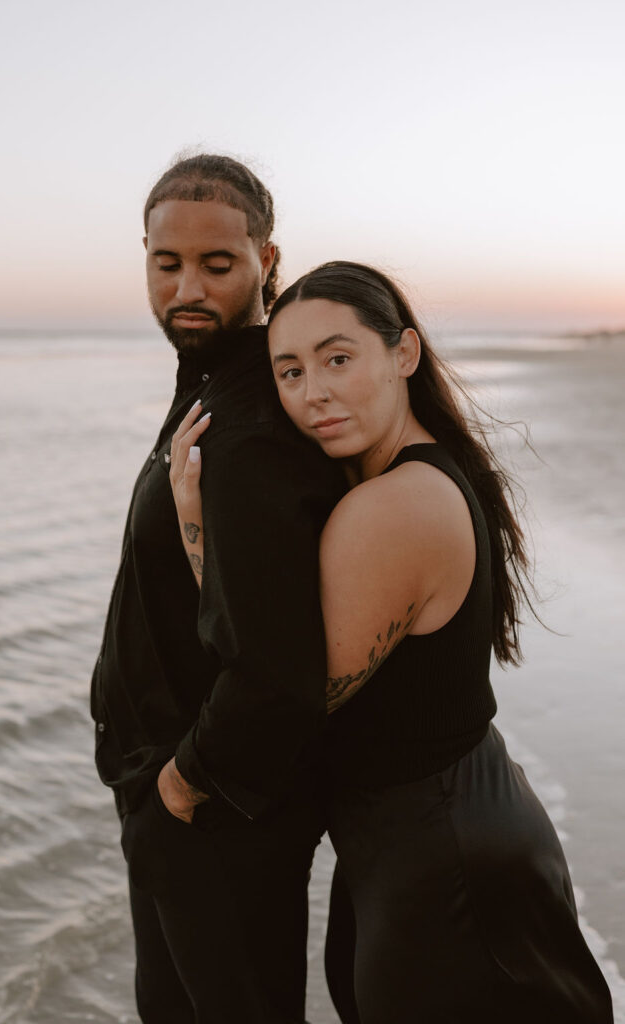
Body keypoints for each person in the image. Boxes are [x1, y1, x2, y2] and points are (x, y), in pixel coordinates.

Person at [170, 261, 614, 1023]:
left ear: (402, 354)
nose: (313, 392)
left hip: (444, 861)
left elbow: (290, 697)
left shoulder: (394, 507)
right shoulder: (409, 478)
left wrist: (181, 780)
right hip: (434, 832)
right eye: (289, 371)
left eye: (337, 359)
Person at [91, 155, 345, 1023]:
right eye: (167, 265)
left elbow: (278, 665)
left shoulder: (251, 427)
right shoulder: (210, 387)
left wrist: (177, 791)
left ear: (266, 261)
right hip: (182, 793)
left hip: (210, 808)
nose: (186, 287)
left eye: (216, 264)